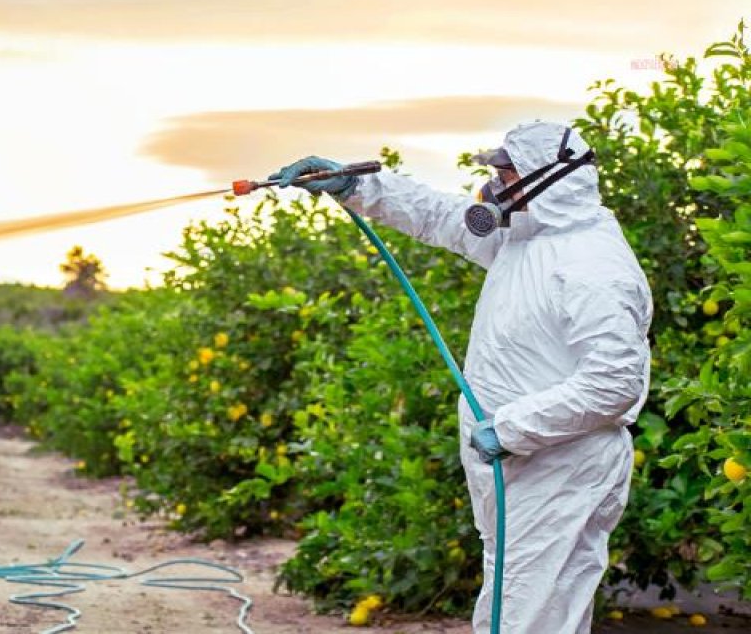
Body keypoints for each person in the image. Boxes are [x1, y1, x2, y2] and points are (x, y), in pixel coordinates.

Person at [273, 120, 652, 634]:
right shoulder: (528, 240)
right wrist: (357, 186)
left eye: (504, 172)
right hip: (525, 467)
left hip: (559, 467)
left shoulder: (591, 264)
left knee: (528, 615)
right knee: (523, 604)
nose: (492, 186)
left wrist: (511, 428)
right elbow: (440, 216)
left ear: (547, 178)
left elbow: (613, 384)